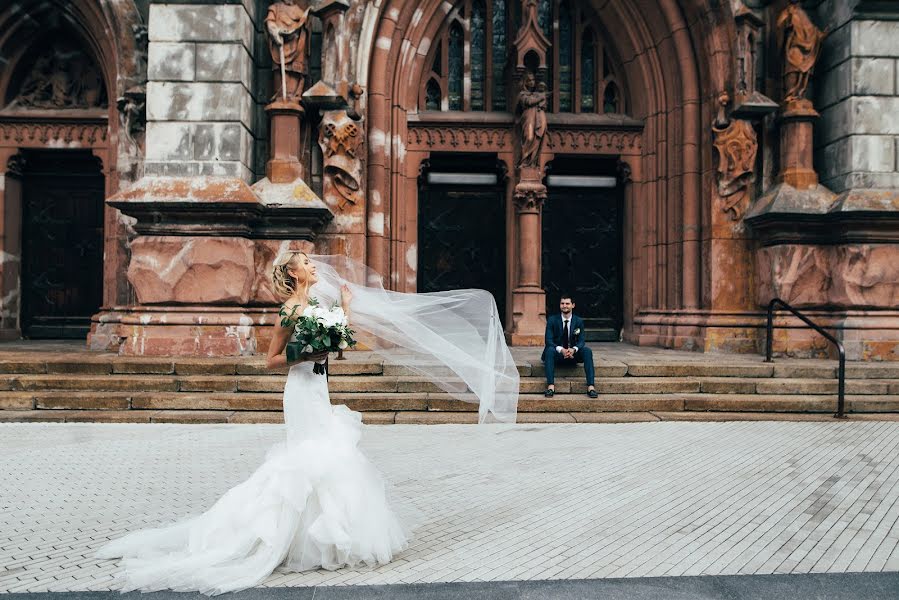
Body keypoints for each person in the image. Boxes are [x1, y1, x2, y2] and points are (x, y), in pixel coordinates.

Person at [97, 251, 519, 594]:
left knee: (331, 457)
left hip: (320, 389)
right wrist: (306, 355)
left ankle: (324, 540)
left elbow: (338, 344)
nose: (315, 265)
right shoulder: (289, 311)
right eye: (307, 262)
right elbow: (272, 360)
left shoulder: (318, 305)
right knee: (312, 459)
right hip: (300, 392)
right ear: (293, 272)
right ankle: (284, 537)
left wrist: (346, 315)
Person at [542, 294, 597, 398]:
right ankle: (550, 387)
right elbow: (548, 340)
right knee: (549, 350)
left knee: (587, 351)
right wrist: (561, 349)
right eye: (562, 303)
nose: (564, 306)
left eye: (567, 303)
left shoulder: (578, 321)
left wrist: (573, 349)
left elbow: (581, 341)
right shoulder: (552, 320)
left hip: (573, 355)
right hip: (557, 354)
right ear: (559, 305)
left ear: (573, 305)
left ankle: (591, 387)